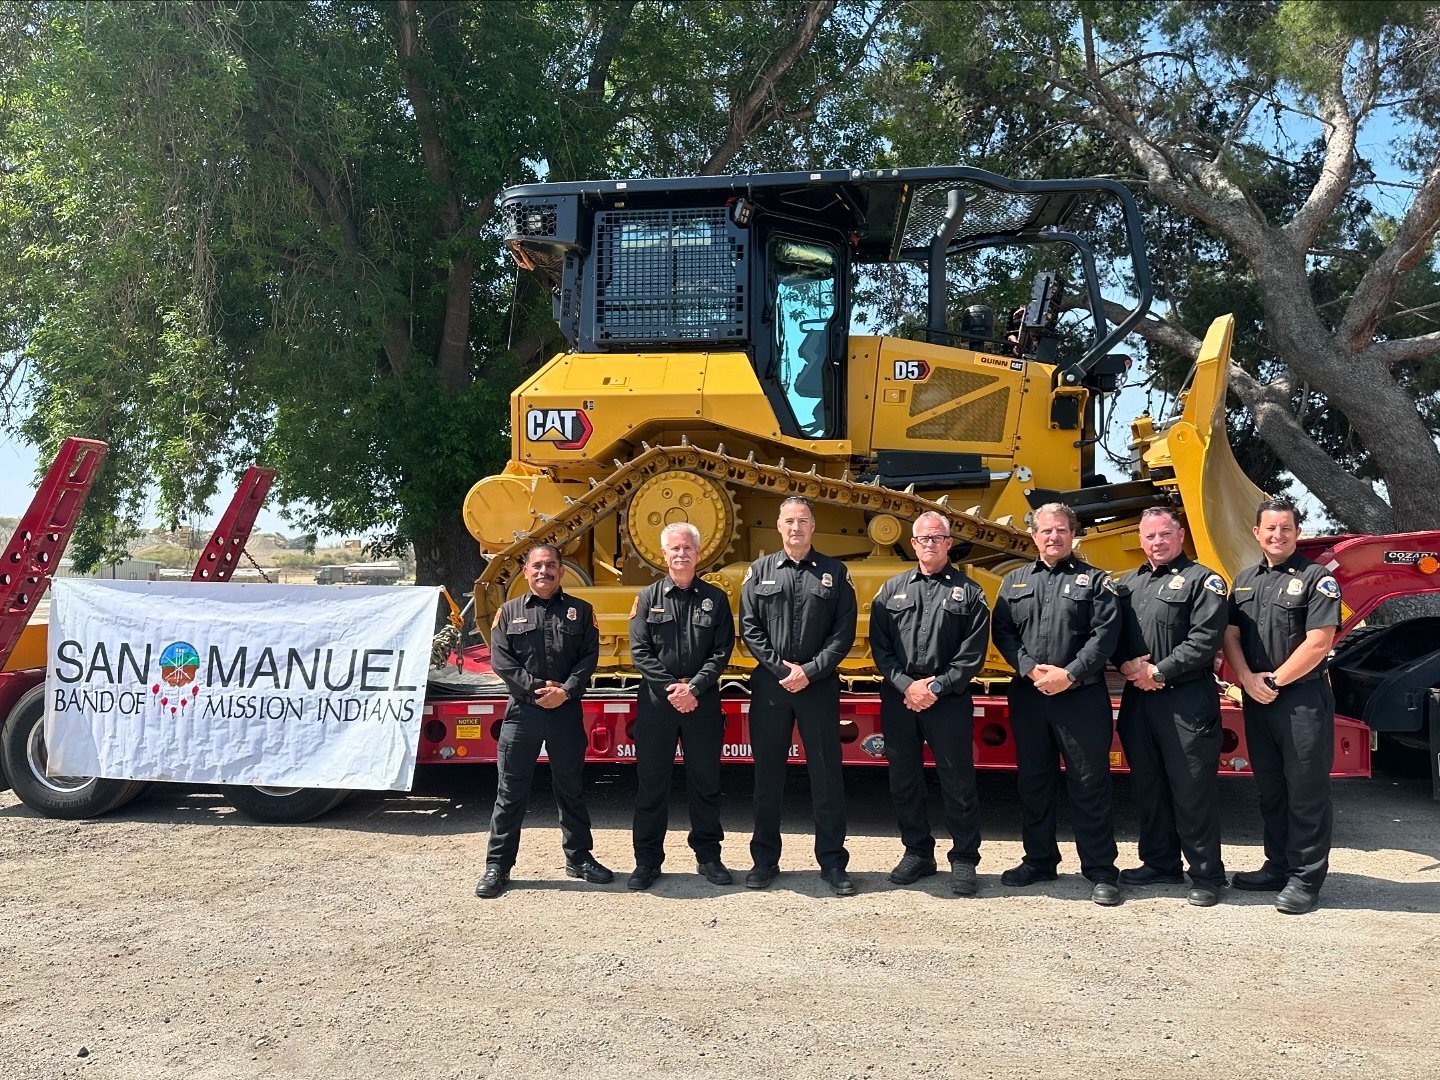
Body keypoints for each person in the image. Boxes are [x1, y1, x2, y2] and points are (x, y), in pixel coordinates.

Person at [992, 502, 1124, 906]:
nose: (1053, 537)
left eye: (1061, 530)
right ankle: (1039, 860)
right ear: (1033, 535)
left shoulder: (1097, 582)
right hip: (1030, 697)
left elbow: (1105, 636)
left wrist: (1068, 675)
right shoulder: (1013, 582)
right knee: (1034, 782)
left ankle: (1100, 869)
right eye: (1046, 530)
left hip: (1080, 697)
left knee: (1089, 784)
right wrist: (1032, 671)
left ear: (1073, 534)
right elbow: (1004, 633)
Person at [1222, 497, 1341, 915]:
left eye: (1286, 528)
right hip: (1259, 698)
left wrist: (1274, 680)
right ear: (1257, 533)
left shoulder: (1317, 578)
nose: (1277, 535)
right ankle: (1277, 866)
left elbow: (1319, 641)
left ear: (1297, 532)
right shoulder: (1244, 580)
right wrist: (1247, 679)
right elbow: (1231, 637)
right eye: (1269, 529)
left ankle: (1306, 880)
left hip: (1301, 700)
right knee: (1271, 790)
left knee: (1305, 792)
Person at [475, 544, 613, 898]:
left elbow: (588, 658)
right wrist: (538, 689)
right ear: (526, 572)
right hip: (523, 713)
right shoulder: (508, 612)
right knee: (510, 791)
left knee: (571, 788)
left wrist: (566, 691)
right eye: (537, 566)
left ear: (561, 572)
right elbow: (501, 661)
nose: (544, 571)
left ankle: (579, 858)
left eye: (551, 565)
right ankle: (498, 866)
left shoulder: (581, 612)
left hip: (565, 711)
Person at [740, 495, 858, 896]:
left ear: (813, 526)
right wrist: (781, 669)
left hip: (818, 686)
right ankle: (763, 861)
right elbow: (750, 628)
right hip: (772, 687)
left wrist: (809, 671)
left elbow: (843, 633)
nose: (796, 528)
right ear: (779, 526)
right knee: (767, 776)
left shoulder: (834, 573)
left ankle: (833, 863)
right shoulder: (759, 572)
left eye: (803, 521)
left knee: (826, 776)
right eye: (789, 521)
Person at [868, 511, 991, 896]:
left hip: (948, 700)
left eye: (938, 538)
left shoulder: (970, 593)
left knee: (957, 781)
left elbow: (972, 656)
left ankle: (965, 859)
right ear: (914, 543)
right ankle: (917, 853)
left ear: (949, 543)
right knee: (904, 780)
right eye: (923, 538)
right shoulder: (891, 591)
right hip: (901, 698)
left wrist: (934, 686)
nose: (931, 544)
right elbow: (881, 648)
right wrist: (907, 685)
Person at [1112, 507, 1229, 907]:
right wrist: (1126, 665)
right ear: (1140, 541)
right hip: (1139, 702)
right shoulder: (1129, 584)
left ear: (1180, 535)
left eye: (1164, 534)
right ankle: (1160, 862)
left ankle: (1207, 874)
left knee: (1191, 789)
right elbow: (1116, 636)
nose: (1156, 543)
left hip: (1186, 701)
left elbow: (1205, 640)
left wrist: (1158, 672)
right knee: (1149, 787)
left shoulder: (1204, 581)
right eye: (1149, 536)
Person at [626, 522, 736, 890]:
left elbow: (722, 652)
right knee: (651, 785)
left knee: (705, 783)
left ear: (698, 553)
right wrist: (672, 687)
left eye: (687, 547)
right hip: (658, 704)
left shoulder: (715, 599)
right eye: (674, 548)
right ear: (664, 554)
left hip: (702, 704)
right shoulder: (647, 597)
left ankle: (708, 857)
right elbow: (640, 651)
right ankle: (647, 862)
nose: (681, 553)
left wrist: (696, 687)